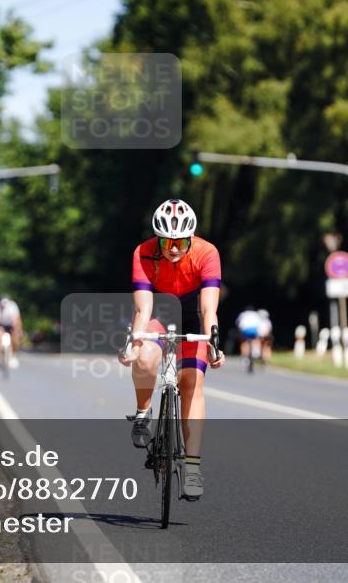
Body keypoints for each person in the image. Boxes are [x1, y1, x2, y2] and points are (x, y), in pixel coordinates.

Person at [119, 198, 223, 500]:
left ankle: (192, 467)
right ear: (158, 239)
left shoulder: (207, 253)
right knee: (145, 357)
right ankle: (142, 413)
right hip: (159, 313)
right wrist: (134, 343)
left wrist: (213, 342)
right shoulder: (143, 252)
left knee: (192, 383)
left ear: (190, 237)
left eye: (179, 242)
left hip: (193, 315)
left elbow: (209, 308)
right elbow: (143, 308)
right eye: (166, 242)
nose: (173, 248)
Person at [0, 296, 23, 366]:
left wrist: (18, 329)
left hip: (10, 325)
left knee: (15, 336)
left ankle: (13, 355)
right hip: (1, 324)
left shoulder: (12, 307)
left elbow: (16, 319)